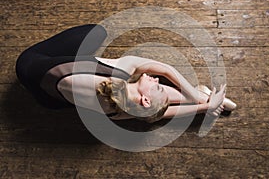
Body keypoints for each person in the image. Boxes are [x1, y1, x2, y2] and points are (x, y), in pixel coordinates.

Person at [15, 24, 236, 123]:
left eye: (156, 86)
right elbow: (155, 111)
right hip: (49, 101)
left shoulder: (120, 71)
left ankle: (202, 95)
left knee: (97, 32)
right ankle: (202, 95)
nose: (156, 81)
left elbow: (165, 70)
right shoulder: (121, 109)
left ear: (145, 99)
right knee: (95, 36)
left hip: (30, 64)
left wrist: (205, 103)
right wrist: (204, 104)